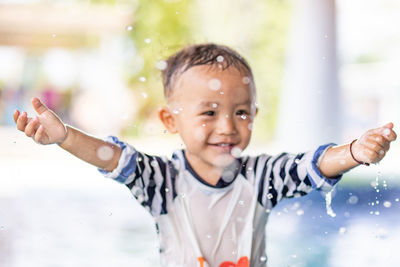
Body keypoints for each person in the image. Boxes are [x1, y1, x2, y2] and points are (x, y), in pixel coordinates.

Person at [13, 44, 397, 267]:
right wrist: (65, 137)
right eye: (209, 113)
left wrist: (353, 152)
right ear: (170, 119)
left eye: (241, 112)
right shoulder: (163, 181)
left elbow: (309, 166)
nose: (227, 126)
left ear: (255, 116)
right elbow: (111, 157)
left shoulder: (260, 177)